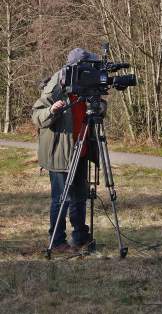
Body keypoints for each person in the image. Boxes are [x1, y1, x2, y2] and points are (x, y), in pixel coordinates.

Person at [32, 48, 98, 253]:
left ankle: (80, 237)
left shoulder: (86, 85)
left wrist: (100, 107)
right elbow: (36, 116)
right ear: (77, 67)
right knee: (62, 198)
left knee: (80, 195)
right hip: (60, 152)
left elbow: (96, 109)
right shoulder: (56, 86)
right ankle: (58, 241)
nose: (91, 70)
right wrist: (52, 110)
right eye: (88, 66)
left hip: (81, 149)